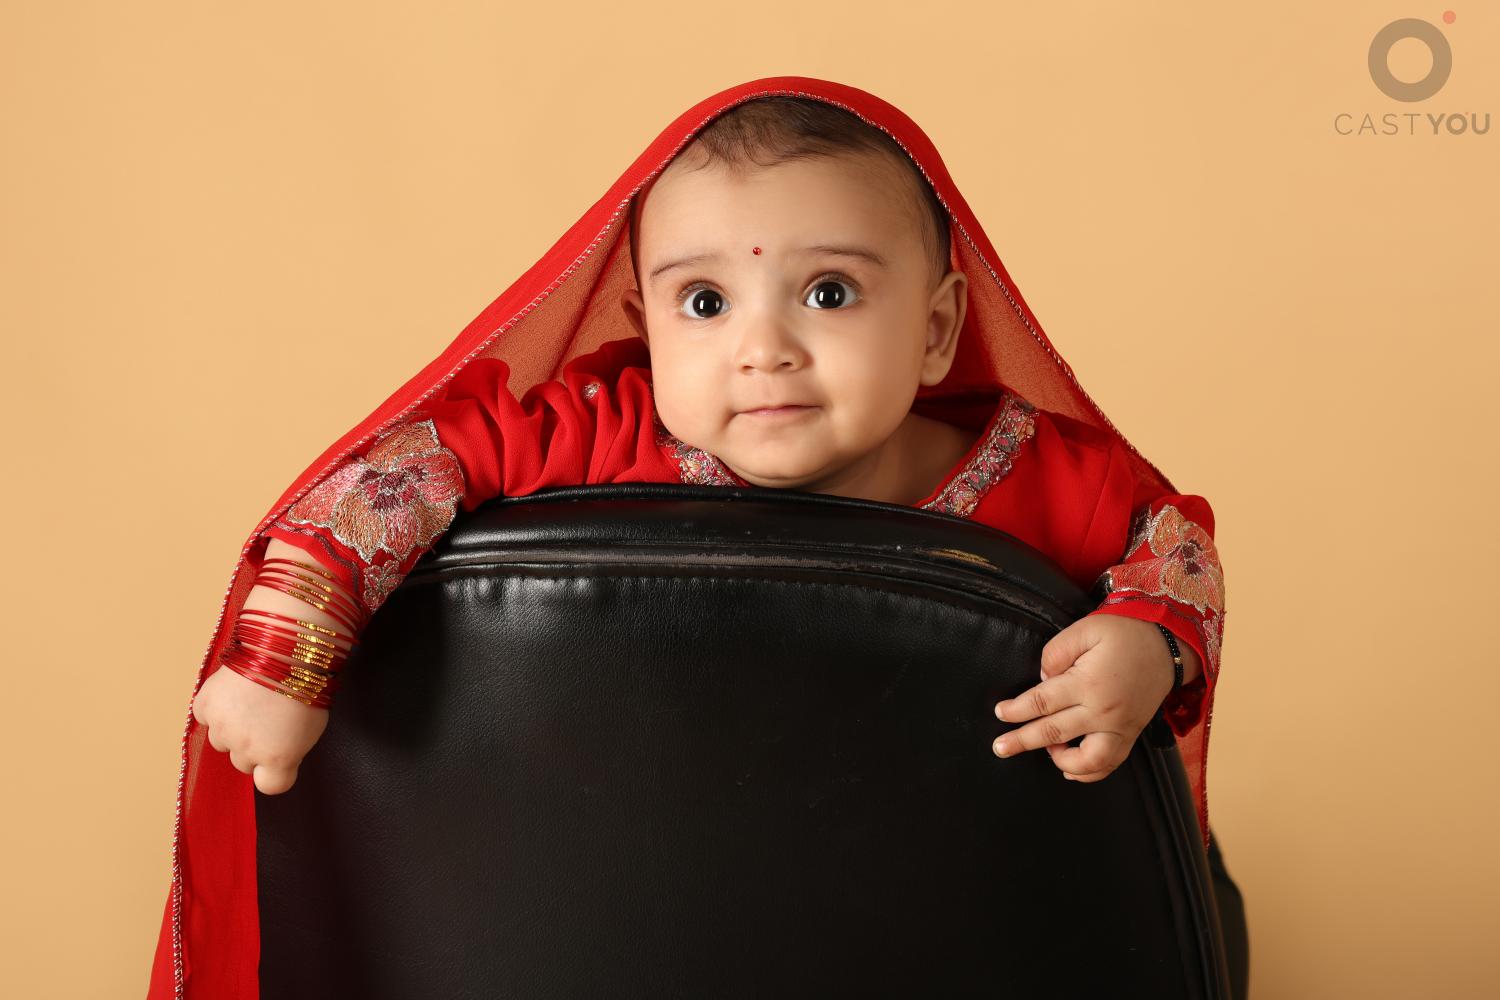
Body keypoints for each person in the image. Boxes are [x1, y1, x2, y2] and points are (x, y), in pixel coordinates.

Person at [148, 77, 1234, 998]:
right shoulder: (603, 431)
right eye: (705, 302)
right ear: (645, 326)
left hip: (933, 909)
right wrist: (285, 650)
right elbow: (404, 469)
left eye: (829, 292)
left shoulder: (1047, 477)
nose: (764, 349)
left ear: (939, 327)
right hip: (639, 891)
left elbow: (1171, 549)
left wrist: (1151, 642)